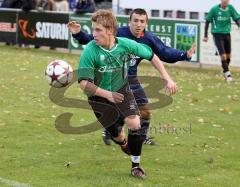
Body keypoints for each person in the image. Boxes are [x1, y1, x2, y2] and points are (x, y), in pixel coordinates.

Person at [68, 8, 195, 146]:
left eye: (142, 21)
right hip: (111, 77)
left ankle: (141, 137)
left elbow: (164, 52)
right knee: (113, 108)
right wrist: (78, 34)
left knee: (145, 110)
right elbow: (91, 39)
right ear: (129, 22)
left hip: (131, 78)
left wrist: (183, 56)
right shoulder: (119, 34)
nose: (138, 24)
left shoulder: (149, 39)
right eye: (135, 21)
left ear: (146, 23)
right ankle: (111, 129)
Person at [78, 9, 177, 178]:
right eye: (93, 29)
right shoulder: (90, 50)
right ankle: (122, 142)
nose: (93, 34)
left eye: (98, 30)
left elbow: (152, 55)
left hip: (122, 90)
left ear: (109, 30)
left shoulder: (125, 44)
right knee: (116, 134)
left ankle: (136, 166)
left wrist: (167, 78)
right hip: (98, 98)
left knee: (135, 123)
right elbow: (84, 83)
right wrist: (108, 95)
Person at [203, 0, 240, 81]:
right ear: (221, 1)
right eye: (223, 2)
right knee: (223, 55)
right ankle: (228, 75)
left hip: (227, 34)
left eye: (226, 2)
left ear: (228, 1)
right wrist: (205, 35)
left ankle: (225, 70)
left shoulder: (230, 8)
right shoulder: (214, 9)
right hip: (217, 34)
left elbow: (236, 18)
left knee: (228, 57)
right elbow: (207, 21)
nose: (225, 3)